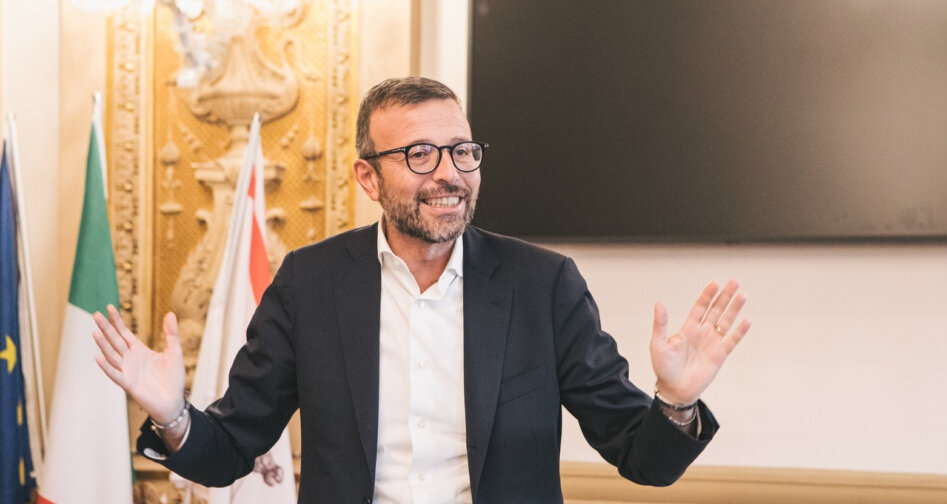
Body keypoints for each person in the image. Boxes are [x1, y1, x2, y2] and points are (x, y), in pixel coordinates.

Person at [92, 77, 751, 503]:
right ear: (368, 178)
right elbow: (230, 450)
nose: (449, 174)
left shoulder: (543, 285)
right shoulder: (311, 284)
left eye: (462, 151)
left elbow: (643, 460)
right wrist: (173, 415)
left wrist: (675, 402)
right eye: (419, 154)